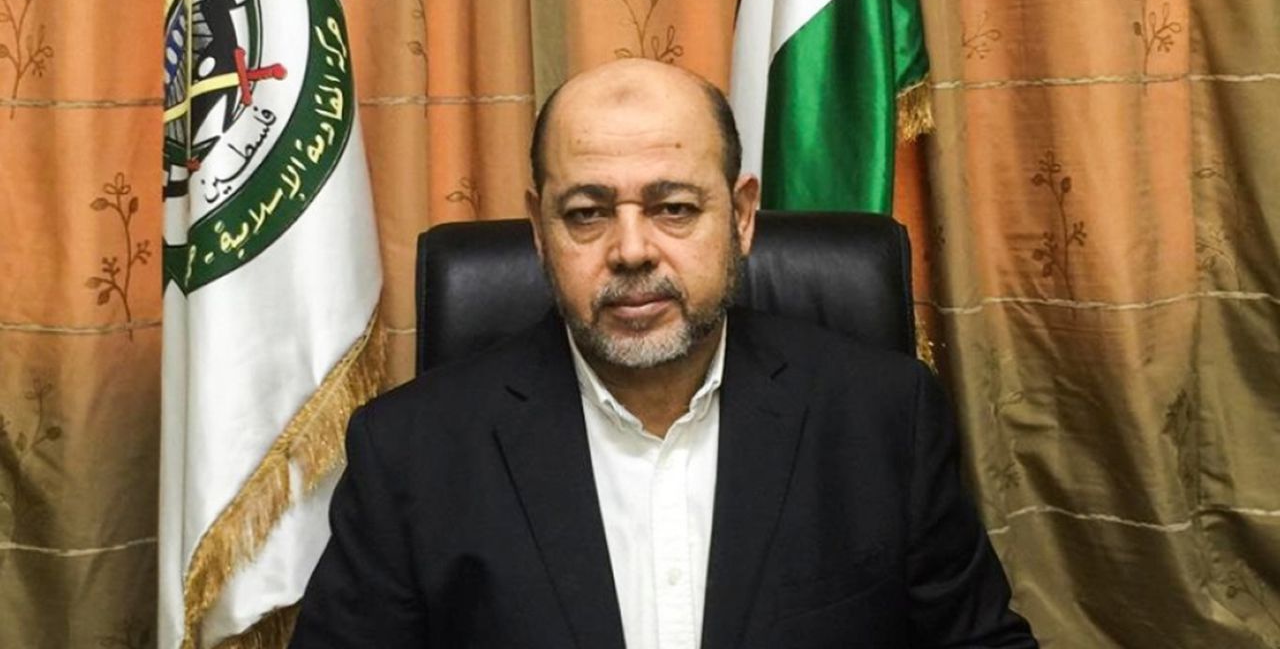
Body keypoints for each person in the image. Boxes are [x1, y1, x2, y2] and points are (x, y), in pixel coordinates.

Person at [290, 59, 1037, 648]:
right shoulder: (410, 452)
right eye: (587, 214)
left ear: (741, 217)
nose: (631, 250)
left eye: (674, 208)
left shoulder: (884, 417)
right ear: (540, 233)